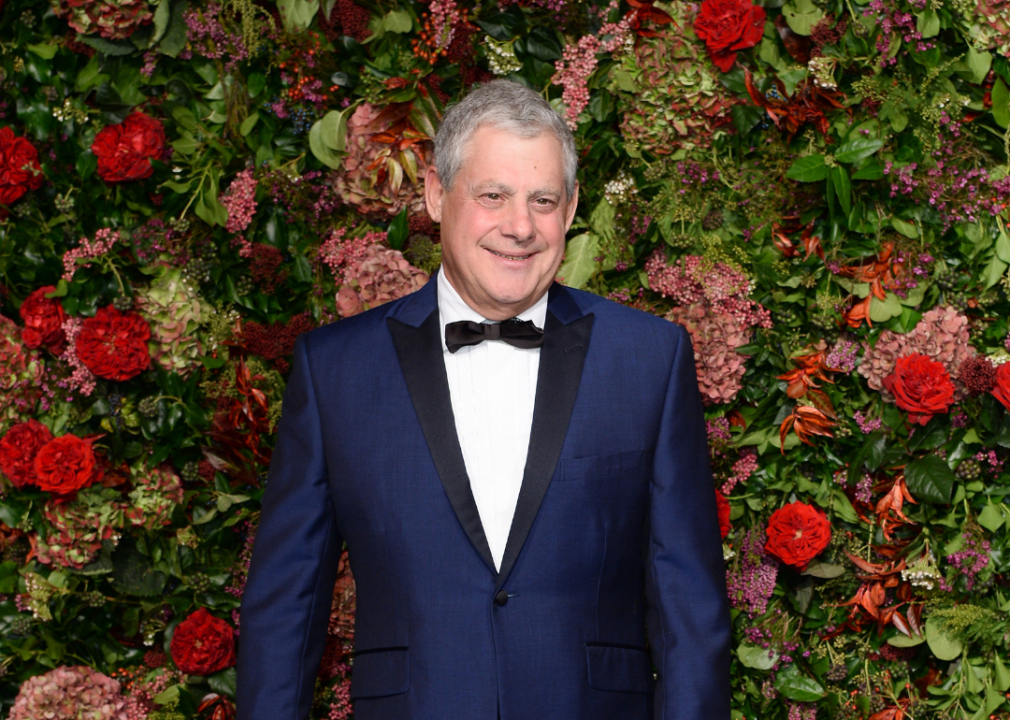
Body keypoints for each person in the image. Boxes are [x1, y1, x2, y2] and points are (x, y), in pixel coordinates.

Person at [236, 79, 730, 720]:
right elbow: (287, 606)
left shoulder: (649, 358)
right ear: (438, 195)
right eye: (493, 195)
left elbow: (689, 607)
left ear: (572, 208)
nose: (520, 226)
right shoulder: (336, 370)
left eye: (543, 200)